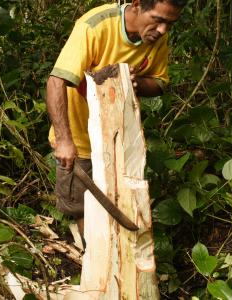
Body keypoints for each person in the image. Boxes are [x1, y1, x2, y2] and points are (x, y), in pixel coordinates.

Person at [46, 0, 186, 237]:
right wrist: (63, 140)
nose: (163, 30)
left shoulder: (157, 36)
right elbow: (56, 82)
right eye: (158, 20)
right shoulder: (95, 26)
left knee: (123, 203)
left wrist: (135, 83)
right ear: (137, 5)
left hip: (120, 141)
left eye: (170, 24)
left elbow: (160, 83)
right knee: (82, 209)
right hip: (80, 141)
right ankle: (91, 264)